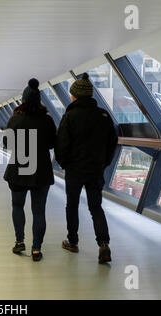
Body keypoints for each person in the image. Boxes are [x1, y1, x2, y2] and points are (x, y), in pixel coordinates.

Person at [54, 73, 118, 264]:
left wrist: (64, 163)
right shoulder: (103, 116)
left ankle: (73, 241)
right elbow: (112, 142)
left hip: (75, 170)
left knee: (72, 205)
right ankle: (103, 244)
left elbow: (62, 144)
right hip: (95, 169)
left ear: (74, 96)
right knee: (95, 206)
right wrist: (104, 162)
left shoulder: (70, 116)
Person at [3, 78, 57, 262]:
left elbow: (7, 143)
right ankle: (36, 249)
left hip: (18, 169)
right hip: (41, 170)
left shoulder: (15, 119)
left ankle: (19, 241)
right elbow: (52, 143)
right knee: (39, 211)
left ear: (23, 100)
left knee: (17, 205)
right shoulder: (47, 120)